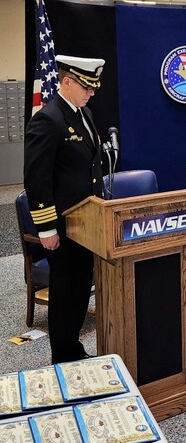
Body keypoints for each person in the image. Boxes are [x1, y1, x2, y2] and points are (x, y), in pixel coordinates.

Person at [24, 55, 105, 363]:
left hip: (87, 222)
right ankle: (62, 354)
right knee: (65, 291)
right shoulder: (49, 118)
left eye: (93, 87)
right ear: (67, 82)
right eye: (86, 86)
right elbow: (37, 176)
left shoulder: (84, 114)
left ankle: (72, 346)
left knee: (81, 286)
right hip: (63, 224)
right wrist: (45, 228)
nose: (91, 93)